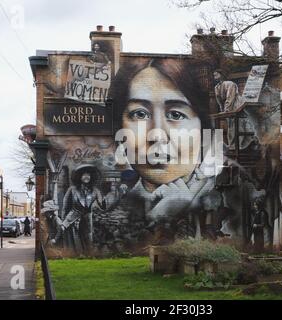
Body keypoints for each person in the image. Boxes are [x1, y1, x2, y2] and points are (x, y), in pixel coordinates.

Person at [109, 58, 226, 246]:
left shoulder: (228, 197)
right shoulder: (118, 207)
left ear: (205, 129)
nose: (157, 134)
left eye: (176, 114)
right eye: (139, 114)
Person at [53, 164, 106, 253]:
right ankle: (77, 255)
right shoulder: (72, 189)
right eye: (84, 175)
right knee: (75, 239)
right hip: (73, 218)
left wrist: (104, 200)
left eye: (88, 175)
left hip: (88, 219)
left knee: (88, 239)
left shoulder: (95, 191)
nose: (86, 177)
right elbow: (65, 206)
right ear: (80, 177)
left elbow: (102, 206)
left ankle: (88, 256)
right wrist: (63, 219)